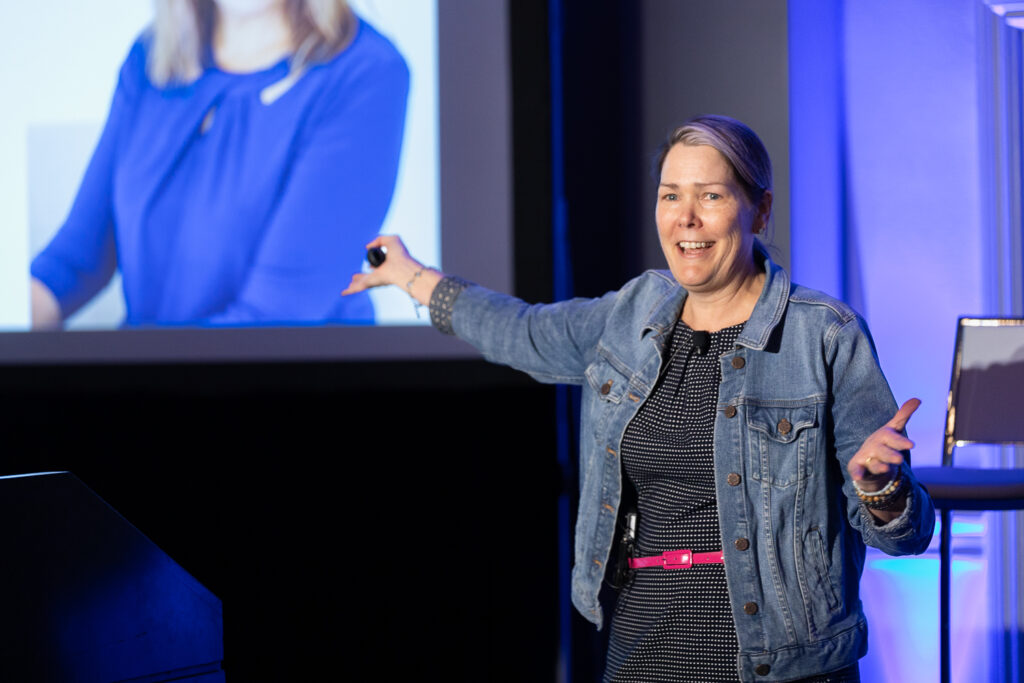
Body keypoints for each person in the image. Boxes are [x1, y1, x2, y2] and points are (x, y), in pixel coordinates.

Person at [344, 115, 935, 682]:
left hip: (781, 662)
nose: (686, 219)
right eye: (670, 196)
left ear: (760, 210)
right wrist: (410, 275)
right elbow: (522, 332)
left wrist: (880, 489)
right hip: (642, 646)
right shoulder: (633, 314)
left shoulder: (824, 333)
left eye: (710, 196)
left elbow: (902, 534)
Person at [31, 0, 408, 329]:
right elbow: (75, 261)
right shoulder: (151, 58)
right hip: (149, 382)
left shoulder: (366, 73)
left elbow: (273, 323)